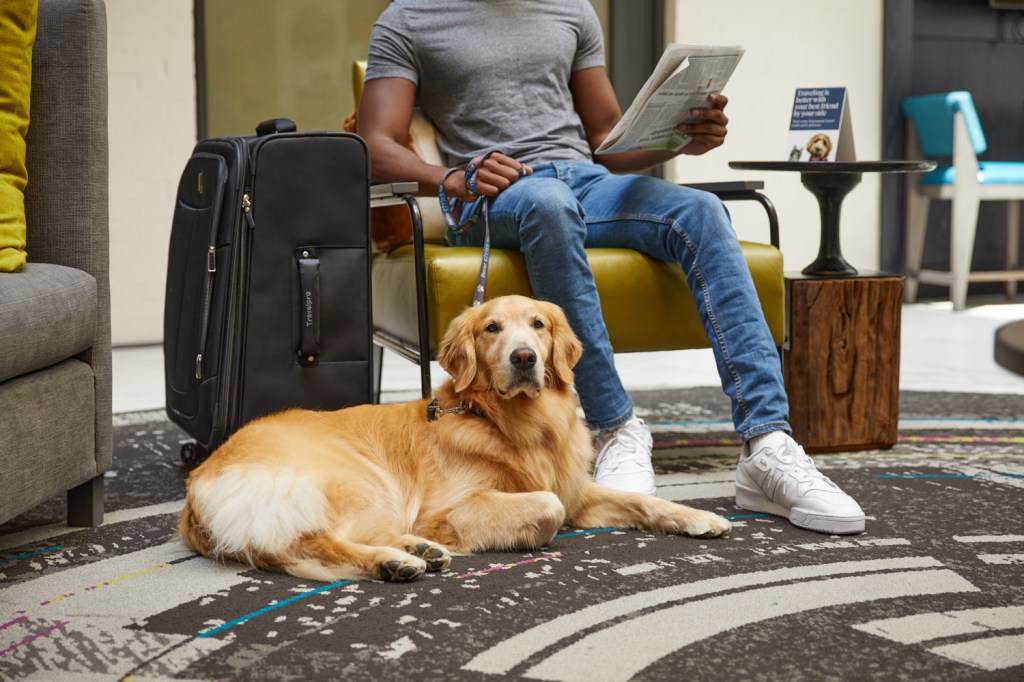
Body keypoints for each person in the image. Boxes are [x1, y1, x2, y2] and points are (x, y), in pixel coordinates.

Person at [358, 0, 865, 535]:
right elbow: (373, 145)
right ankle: (616, 427)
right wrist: (451, 178)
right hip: (498, 195)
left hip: (586, 182)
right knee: (548, 203)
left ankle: (767, 443)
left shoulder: (570, 9)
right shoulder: (410, 16)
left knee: (701, 209)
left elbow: (604, 136)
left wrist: (680, 138)